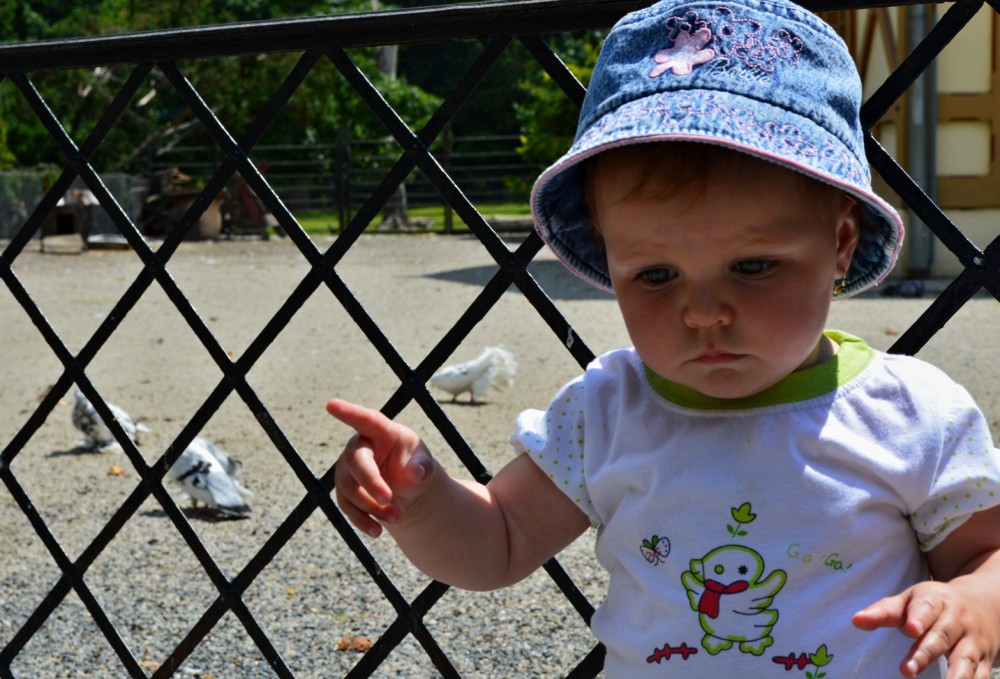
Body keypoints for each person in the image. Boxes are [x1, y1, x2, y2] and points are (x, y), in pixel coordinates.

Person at [328, 0, 1000, 676]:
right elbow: (497, 538)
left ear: (841, 244)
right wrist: (421, 497)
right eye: (656, 275)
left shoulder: (910, 414)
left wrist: (974, 601)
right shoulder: (606, 410)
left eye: (752, 266)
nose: (703, 312)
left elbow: (986, 553)